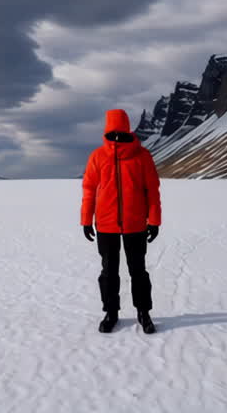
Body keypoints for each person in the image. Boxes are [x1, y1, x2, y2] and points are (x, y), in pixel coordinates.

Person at [80, 109, 162, 334]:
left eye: (119, 129)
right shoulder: (97, 157)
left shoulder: (142, 156)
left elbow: (152, 191)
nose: (116, 134)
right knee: (109, 272)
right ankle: (111, 312)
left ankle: (143, 312)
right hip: (106, 225)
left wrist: (154, 220)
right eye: (112, 130)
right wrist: (86, 220)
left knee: (138, 271)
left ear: (126, 128)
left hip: (135, 224)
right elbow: (89, 189)